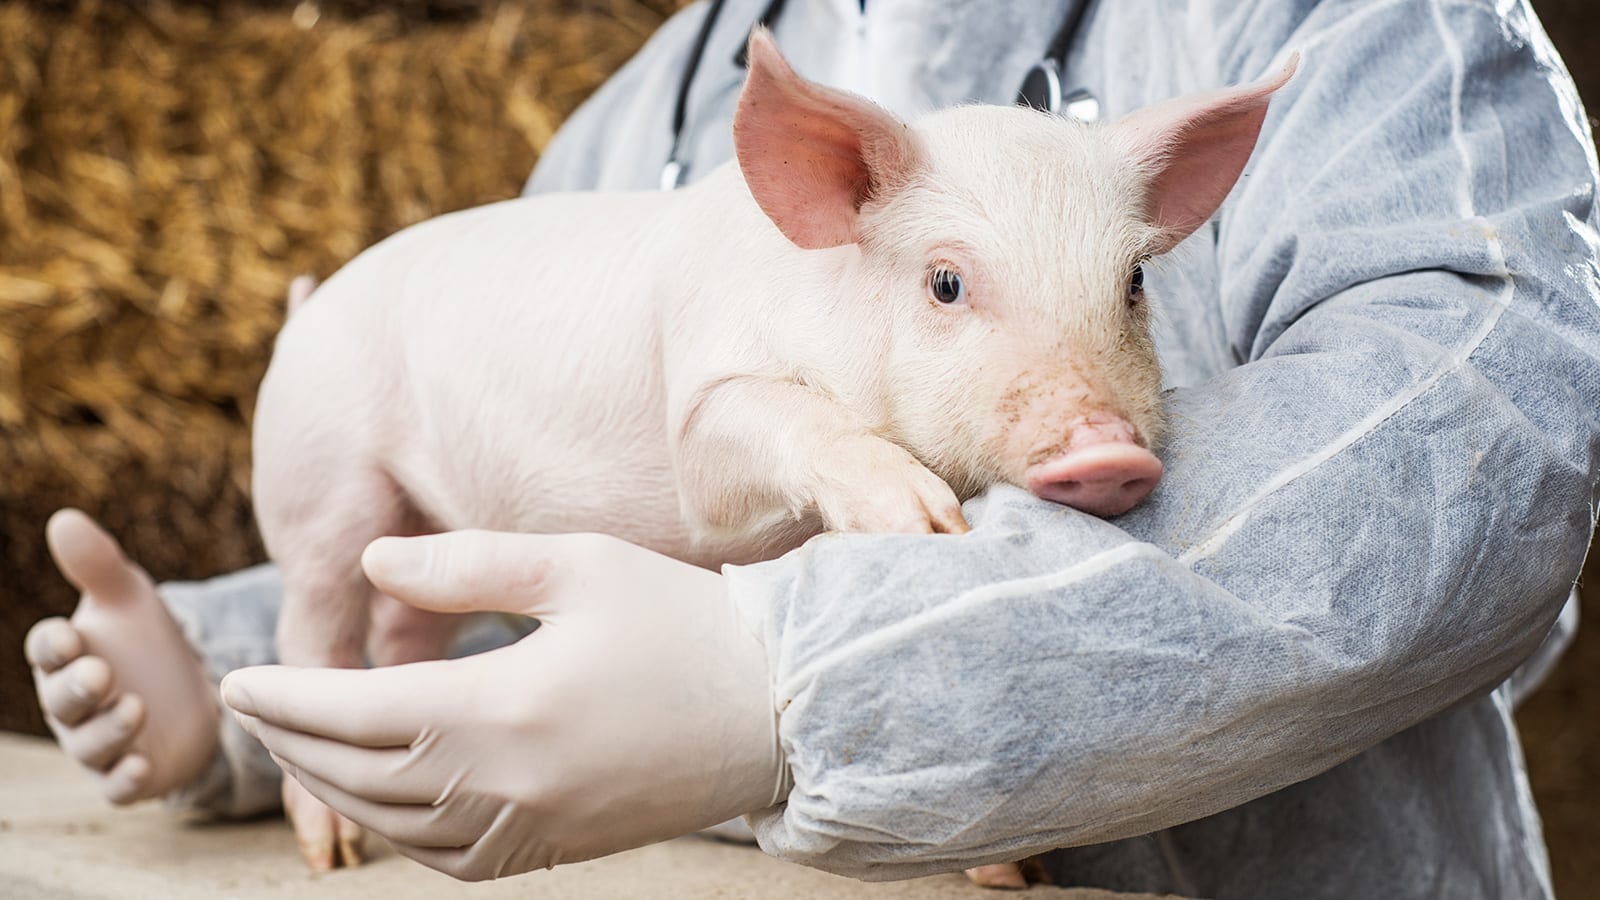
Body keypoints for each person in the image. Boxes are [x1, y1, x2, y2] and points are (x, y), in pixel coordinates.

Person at [24, 0, 1600, 897]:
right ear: (815, 175)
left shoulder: (1332, 17)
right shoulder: (686, 83)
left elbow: (1487, 431)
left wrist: (795, 682)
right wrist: (240, 682)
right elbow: (514, 534)